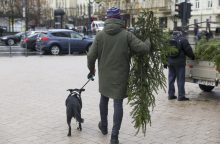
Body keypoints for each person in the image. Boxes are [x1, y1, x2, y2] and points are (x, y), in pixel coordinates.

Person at [87, 7, 151, 144]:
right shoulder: (126, 34)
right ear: (119, 18)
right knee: (118, 103)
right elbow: (143, 49)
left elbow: (90, 56)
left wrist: (91, 70)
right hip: (120, 76)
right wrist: (148, 40)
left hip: (104, 75)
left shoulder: (100, 35)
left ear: (107, 19)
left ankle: (103, 126)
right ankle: (114, 137)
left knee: (103, 98)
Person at [167, 29, 195, 101]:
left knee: (171, 79)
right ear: (180, 33)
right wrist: (192, 57)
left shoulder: (169, 39)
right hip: (180, 63)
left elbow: (164, 51)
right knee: (180, 79)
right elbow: (188, 50)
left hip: (170, 62)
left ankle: (171, 95)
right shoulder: (183, 40)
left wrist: (164, 63)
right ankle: (181, 96)